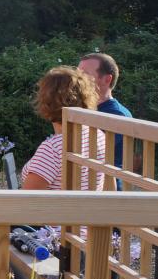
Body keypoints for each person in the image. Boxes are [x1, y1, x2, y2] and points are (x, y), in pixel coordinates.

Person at [21, 66, 106, 191]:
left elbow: (27, 202)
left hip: (58, 211)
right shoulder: (98, 136)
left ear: (46, 101)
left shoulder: (52, 149)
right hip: (88, 209)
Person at [78, 53, 133, 188]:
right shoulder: (88, 108)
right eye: (77, 73)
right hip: (91, 186)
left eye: (84, 74)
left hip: (107, 192)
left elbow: (86, 151)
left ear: (107, 79)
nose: (77, 79)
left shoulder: (117, 115)